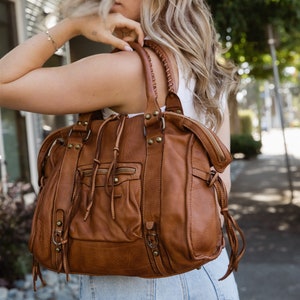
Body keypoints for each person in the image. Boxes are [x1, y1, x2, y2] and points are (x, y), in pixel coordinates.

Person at [0, 0, 240, 299]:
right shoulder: (205, 69)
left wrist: (70, 27)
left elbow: (3, 81)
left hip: (144, 280)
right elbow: (221, 186)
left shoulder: (128, 69)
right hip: (207, 269)